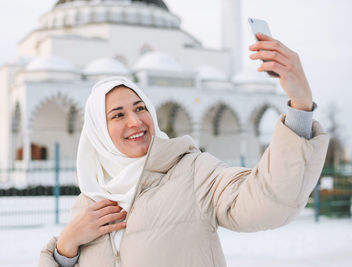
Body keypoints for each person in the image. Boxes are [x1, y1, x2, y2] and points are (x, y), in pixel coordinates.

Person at [38, 33, 329, 267]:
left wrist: (299, 106)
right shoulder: (89, 199)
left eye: (141, 108)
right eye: (118, 115)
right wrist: (66, 247)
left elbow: (267, 202)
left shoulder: (193, 172)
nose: (136, 121)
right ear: (98, 132)